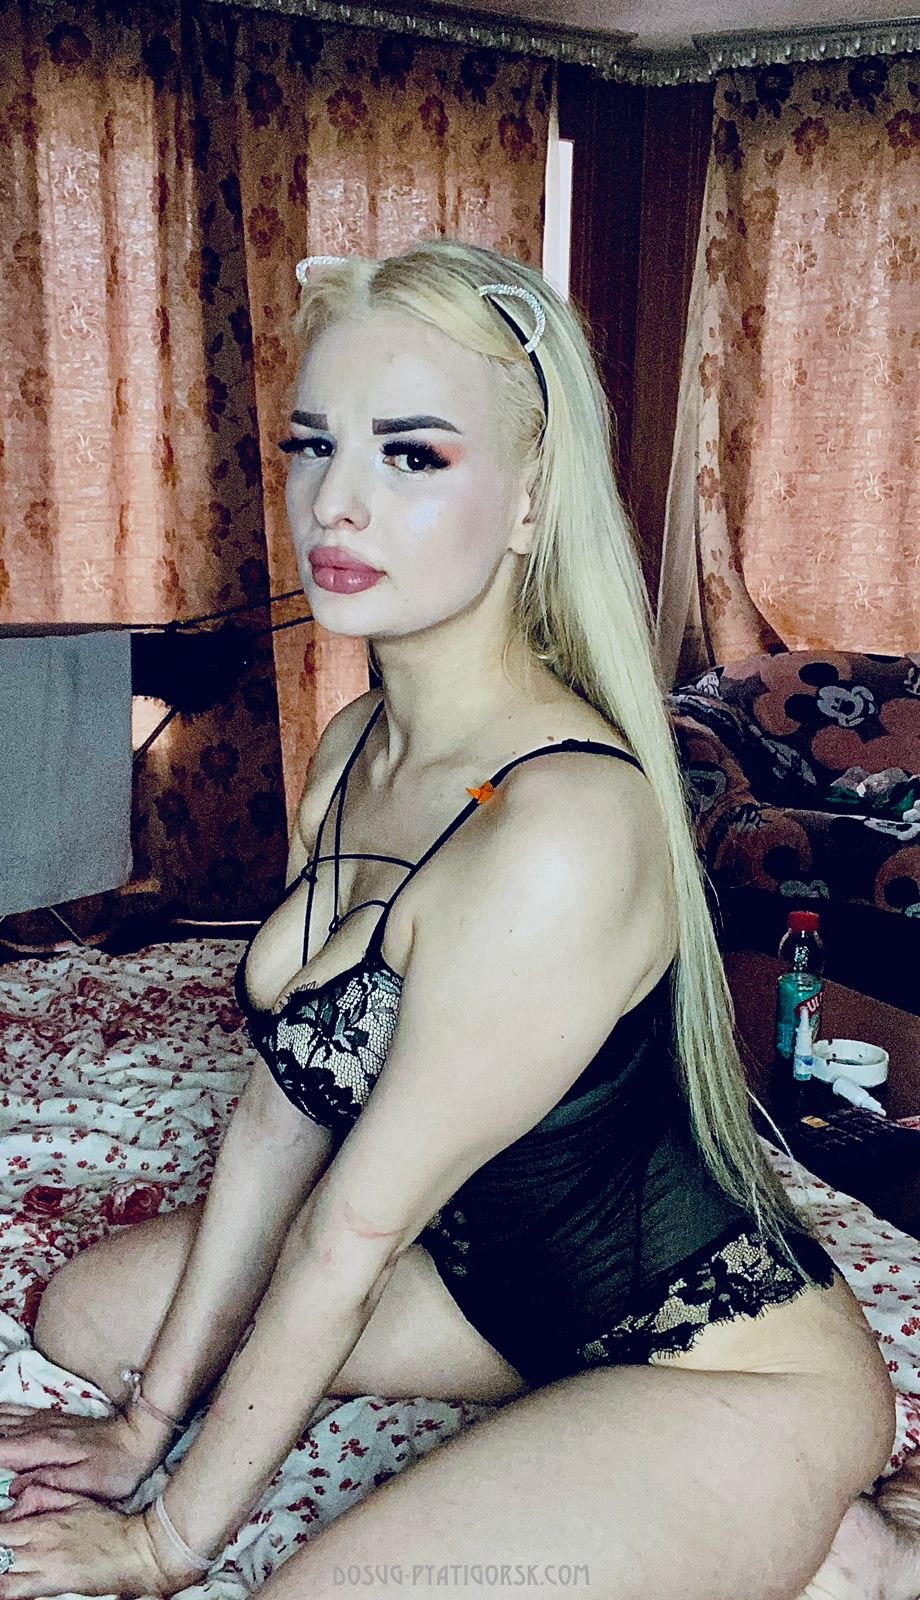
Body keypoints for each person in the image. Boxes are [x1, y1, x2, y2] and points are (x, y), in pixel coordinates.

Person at [0, 238, 901, 1599]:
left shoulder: (561, 829)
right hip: (496, 1296)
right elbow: (280, 1118)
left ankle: (864, 1545)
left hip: (714, 1356)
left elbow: (348, 1236)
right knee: (87, 1316)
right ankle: (621, 1461)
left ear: (531, 501)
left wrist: (168, 1539)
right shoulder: (356, 746)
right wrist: (142, 1427)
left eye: (412, 454)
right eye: (314, 445)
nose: (336, 503)